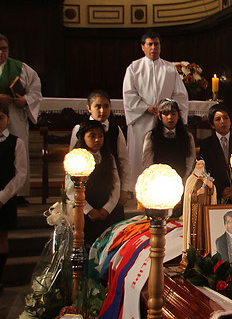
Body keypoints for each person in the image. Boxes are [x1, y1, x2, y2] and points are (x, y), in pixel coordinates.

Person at [123, 31, 189, 184]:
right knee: (141, 155)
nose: (154, 48)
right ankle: (141, 189)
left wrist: (166, 107)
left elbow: (180, 95)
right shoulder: (134, 68)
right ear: (143, 47)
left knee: (164, 154)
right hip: (142, 120)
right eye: (150, 44)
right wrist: (146, 108)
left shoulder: (170, 69)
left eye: (157, 44)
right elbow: (128, 94)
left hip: (165, 120)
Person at [70, 90, 130, 219]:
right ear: (89, 108)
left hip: (110, 187)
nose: (102, 111)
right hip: (86, 190)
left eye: (106, 106)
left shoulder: (115, 130)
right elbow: (71, 161)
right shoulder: (79, 129)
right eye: (98, 106)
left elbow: (123, 160)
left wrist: (124, 190)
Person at [0, 34, 42, 205]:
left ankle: (19, 194)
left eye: (4, 48)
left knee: (18, 151)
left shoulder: (21, 68)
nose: (1, 52)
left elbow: (36, 91)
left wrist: (25, 100)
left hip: (15, 116)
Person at [66, 120, 121, 247]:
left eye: (100, 136)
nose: (97, 140)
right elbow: (70, 188)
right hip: (84, 212)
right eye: (92, 136)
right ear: (83, 137)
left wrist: (106, 209)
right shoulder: (76, 158)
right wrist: (89, 210)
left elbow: (116, 185)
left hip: (105, 210)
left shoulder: (109, 157)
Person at [0, 103, 27, 291]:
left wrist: (2, 196)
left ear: (8, 119)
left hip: (5, 199)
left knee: (2, 236)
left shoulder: (16, 142)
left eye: (1, 117)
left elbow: (21, 174)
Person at [142, 98, 195, 185]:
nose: (170, 117)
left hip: (180, 179)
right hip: (158, 181)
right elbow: (147, 161)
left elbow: (190, 158)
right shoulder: (152, 136)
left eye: (173, 114)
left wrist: (184, 178)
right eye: (166, 114)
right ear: (159, 116)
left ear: (178, 116)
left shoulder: (187, 136)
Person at [199, 104, 232, 201]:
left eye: (226, 118)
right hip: (215, 192)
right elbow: (206, 171)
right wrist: (220, 190)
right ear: (212, 125)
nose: (223, 122)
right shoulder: (206, 144)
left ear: (230, 121)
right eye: (218, 119)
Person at [183, 160, 217, 259]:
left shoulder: (206, 178)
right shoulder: (191, 179)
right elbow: (188, 197)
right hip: (195, 210)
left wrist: (210, 186)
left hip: (205, 208)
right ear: (195, 165)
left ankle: (205, 252)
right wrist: (197, 194)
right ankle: (194, 253)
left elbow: (212, 192)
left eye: (202, 164)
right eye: (199, 164)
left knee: (204, 229)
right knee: (196, 231)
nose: (201, 166)